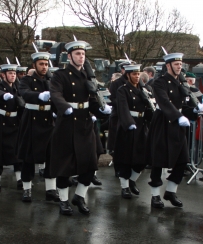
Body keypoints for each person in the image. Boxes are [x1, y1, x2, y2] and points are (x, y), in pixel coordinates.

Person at [50, 40, 112, 215]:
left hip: (84, 125)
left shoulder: (87, 75)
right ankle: (63, 200)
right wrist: (64, 107)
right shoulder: (60, 75)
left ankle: (79, 196)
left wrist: (101, 109)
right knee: (65, 166)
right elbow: (55, 93)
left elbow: (90, 100)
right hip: (67, 124)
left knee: (90, 164)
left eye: (83, 54)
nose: (81, 57)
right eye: (77, 54)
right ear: (69, 56)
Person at [146, 53, 202, 209]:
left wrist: (195, 110)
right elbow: (163, 101)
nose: (179, 66)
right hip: (163, 120)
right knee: (158, 160)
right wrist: (178, 116)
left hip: (177, 123)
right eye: (176, 64)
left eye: (180, 64)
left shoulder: (182, 83)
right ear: (168, 65)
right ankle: (155, 195)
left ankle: (171, 191)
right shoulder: (159, 82)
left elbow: (184, 104)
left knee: (182, 159)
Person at [17, 52, 59, 202]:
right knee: (28, 158)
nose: (44, 67)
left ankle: (51, 190)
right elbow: (24, 93)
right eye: (41, 64)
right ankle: (27, 189)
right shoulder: (26, 80)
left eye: (46, 64)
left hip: (48, 121)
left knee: (51, 157)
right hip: (31, 120)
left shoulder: (51, 81)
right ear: (34, 65)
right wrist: (39, 96)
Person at [113, 64, 153, 199]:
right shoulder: (122, 90)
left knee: (142, 159)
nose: (137, 77)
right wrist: (129, 123)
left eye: (138, 74)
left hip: (141, 126)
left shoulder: (145, 90)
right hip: (128, 127)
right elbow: (122, 108)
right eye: (134, 74)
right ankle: (124, 187)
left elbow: (148, 109)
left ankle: (132, 180)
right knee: (125, 158)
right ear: (128, 75)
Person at [0, 64, 23, 191]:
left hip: (14, 121)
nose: (13, 75)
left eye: (14, 73)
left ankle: (20, 179)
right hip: (1, 121)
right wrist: (3, 96)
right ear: (3, 75)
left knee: (17, 152)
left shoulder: (17, 87)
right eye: (10, 73)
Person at [108, 62, 131, 177]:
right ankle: (118, 168)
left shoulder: (136, 83)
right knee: (118, 144)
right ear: (122, 70)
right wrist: (124, 106)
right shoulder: (116, 83)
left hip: (132, 117)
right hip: (118, 116)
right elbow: (112, 98)